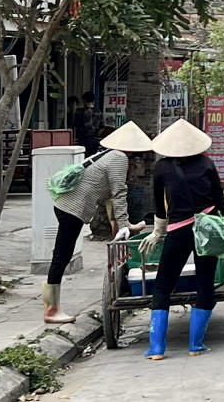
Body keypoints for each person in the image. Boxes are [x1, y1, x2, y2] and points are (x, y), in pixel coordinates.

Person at [138, 119, 224, 360]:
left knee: (163, 286)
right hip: (207, 229)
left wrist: (157, 232)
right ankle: (196, 345)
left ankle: (157, 348)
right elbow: (220, 200)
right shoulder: (207, 163)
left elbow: (159, 206)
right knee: (205, 283)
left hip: (177, 231)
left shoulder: (162, 168)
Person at [43, 121, 151, 324]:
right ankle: (51, 310)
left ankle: (51, 307)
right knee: (61, 256)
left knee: (61, 255)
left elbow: (109, 195)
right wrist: (124, 225)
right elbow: (119, 192)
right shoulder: (119, 157)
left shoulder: (108, 154)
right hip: (72, 208)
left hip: (66, 204)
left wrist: (121, 223)